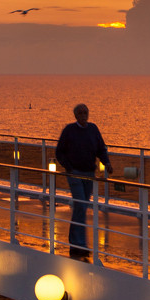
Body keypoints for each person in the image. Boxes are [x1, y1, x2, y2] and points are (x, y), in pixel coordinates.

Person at [54, 103, 112, 260]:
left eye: (85, 112)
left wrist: (106, 162)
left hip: (89, 173)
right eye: (80, 112)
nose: (83, 115)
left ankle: (77, 242)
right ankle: (79, 243)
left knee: (83, 207)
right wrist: (68, 167)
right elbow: (59, 151)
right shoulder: (69, 131)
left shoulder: (93, 129)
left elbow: (101, 148)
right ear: (75, 115)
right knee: (80, 204)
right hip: (75, 173)